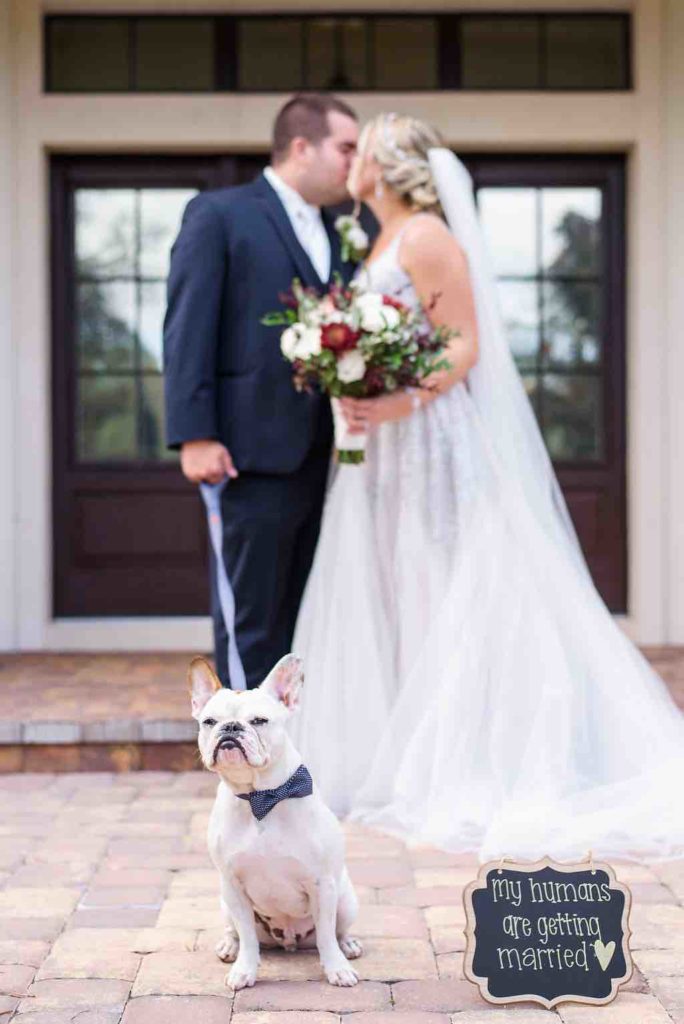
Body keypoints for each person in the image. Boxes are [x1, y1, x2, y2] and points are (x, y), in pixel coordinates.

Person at [287, 112, 684, 863]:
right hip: (384, 446)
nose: (351, 158)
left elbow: (464, 342)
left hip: (431, 440)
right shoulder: (377, 238)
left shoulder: (427, 237)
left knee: (446, 583)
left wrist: (400, 400)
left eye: (361, 146)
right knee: (397, 586)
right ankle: (400, 749)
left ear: (390, 163)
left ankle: (464, 758)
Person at [163, 94, 360, 689]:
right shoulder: (220, 214)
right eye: (346, 148)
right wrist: (194, 434)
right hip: (247, 455)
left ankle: (293, 758)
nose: (357, 162)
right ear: (302, 147)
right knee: (251, 617)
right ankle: (247, 764)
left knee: (308, 617)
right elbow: (187, 325)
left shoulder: (343, 230)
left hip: (327, 461)